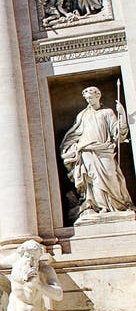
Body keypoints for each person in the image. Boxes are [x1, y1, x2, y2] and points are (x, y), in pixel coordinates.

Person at [60, 86, 133, 218]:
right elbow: (75, 134)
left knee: (111, 176)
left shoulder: (107, 112)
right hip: (87, 150)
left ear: (98, 96)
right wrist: (73, 148)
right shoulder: (82, 115)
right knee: (94, 179)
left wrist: (121, 115)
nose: (89, 100)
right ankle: (102, 207)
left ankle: (118, 205)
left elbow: (118, 135)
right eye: (87, 98)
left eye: (91, 97)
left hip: (104, 149)